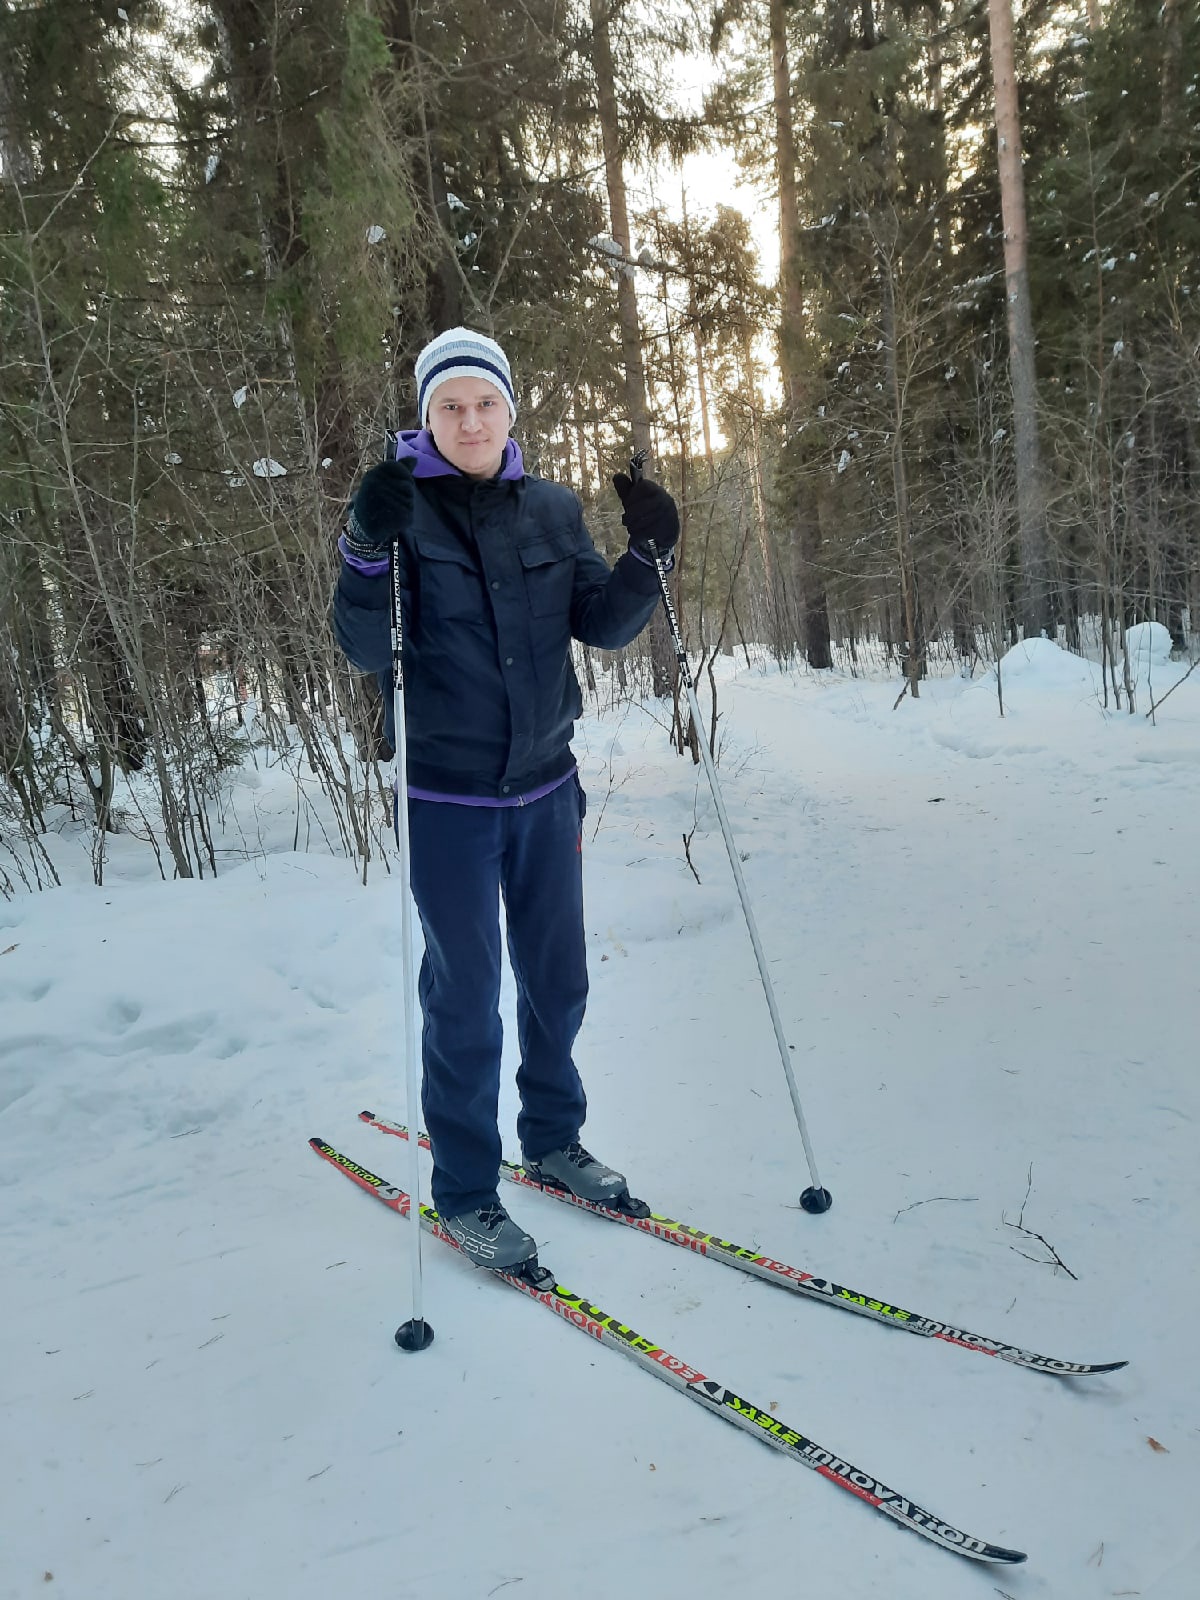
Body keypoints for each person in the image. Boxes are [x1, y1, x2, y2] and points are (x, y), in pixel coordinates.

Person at [332, 327, 679, 1273]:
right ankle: (468, 1193)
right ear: (427, 417)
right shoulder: (400, 514)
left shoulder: (553, 512)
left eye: (485, 403)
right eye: (450, 406)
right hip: (448, 801)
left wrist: (651, 550)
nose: (470, 420)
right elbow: (366, 651)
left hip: (546, 790)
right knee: (466, 1000)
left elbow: (604, 624)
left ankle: (554, 1140)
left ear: (510, 412)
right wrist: (363, 545)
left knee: (557, 980)